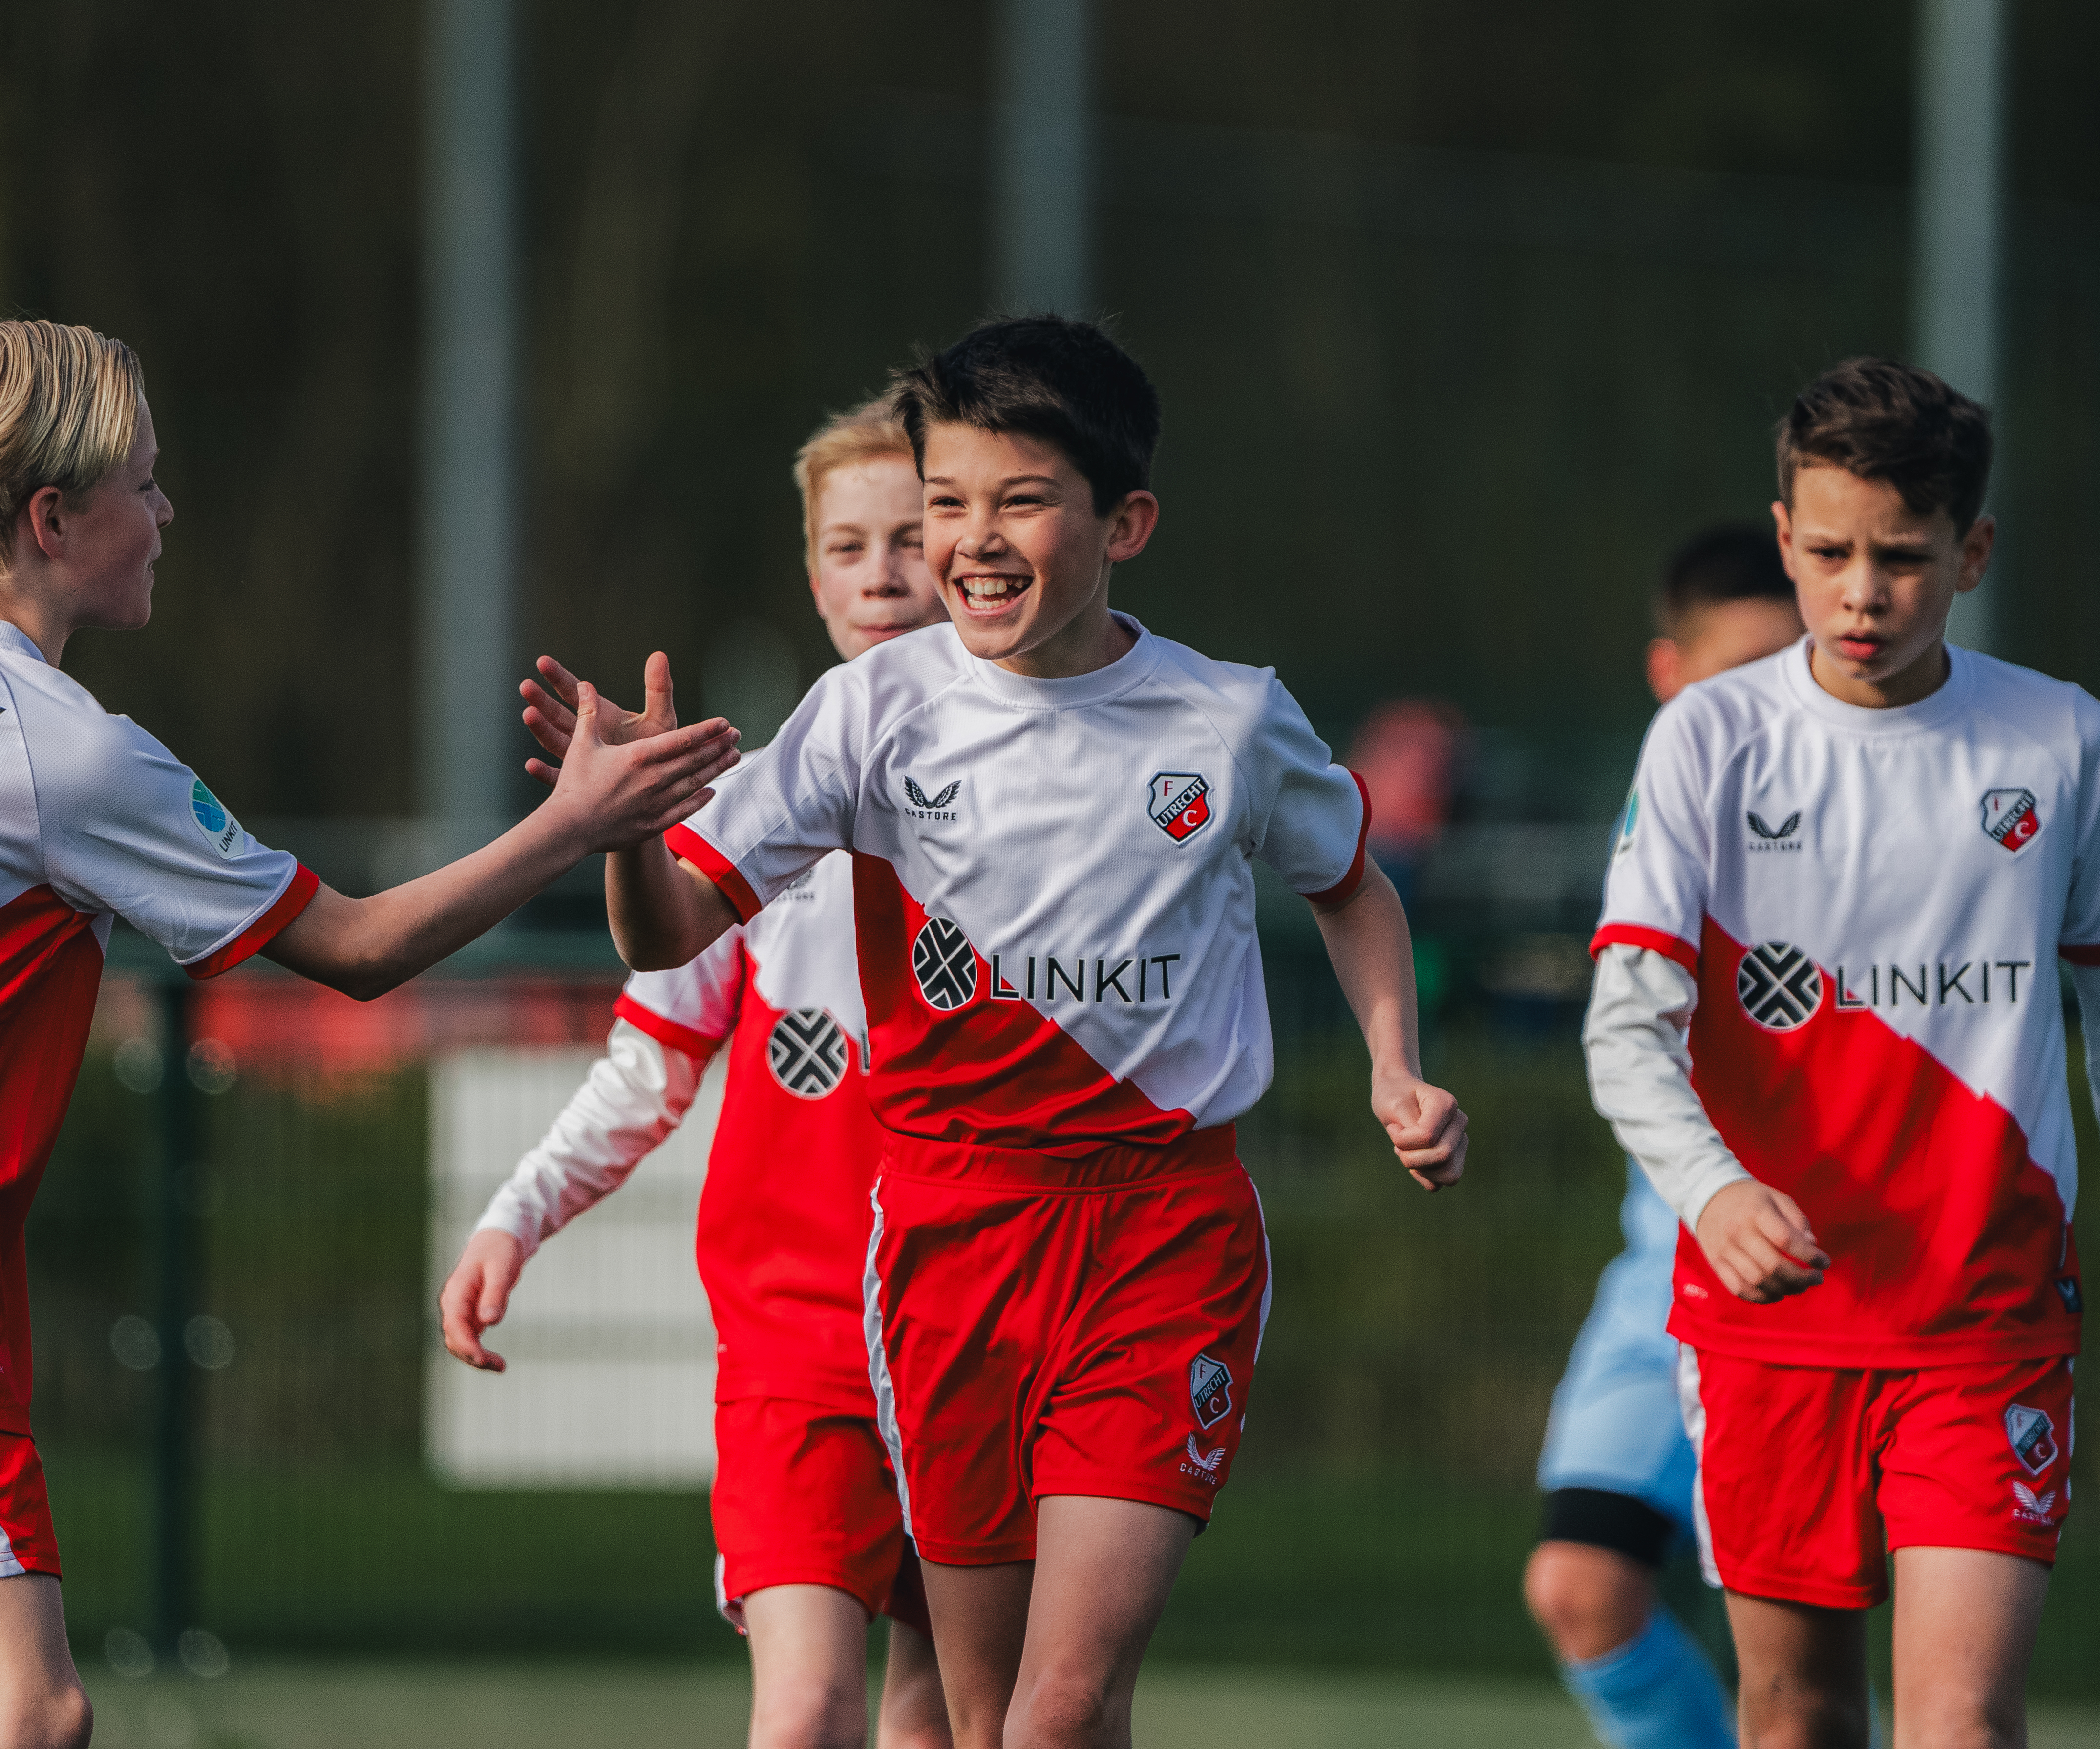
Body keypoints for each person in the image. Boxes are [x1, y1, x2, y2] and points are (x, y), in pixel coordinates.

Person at [0, 320, 739, 1749]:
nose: (168, 511)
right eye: (145, 480)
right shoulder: (61, 743)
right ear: (54, 520)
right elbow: (361, 951)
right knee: (27, 1709)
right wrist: (572, 825)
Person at [550, 314, 1469, 1749]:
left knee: (1059, 1708)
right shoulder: (869, 716)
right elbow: (670, 931)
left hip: (1162, 1235)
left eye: (1022, 501)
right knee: (984, 1723)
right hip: (944, 1238)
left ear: (1128, 520)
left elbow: (1351, 885)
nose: (972, 541)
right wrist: (613, 830)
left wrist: (1396, 1067)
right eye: (948, 506)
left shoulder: (1228, 721)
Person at [1583, 359, 2100, 1749]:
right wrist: (1717, 1190)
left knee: (1963, 1723)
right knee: (1800, 1714)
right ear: (1783, 539)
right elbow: (1626, 1032)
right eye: (1828, 553)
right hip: (1770, 1330)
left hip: (1984, 1320)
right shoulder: (1707, 739)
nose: (1862, 592)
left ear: (1972, 554)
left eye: (1903, 557)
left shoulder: (2061, 743)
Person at [438, 395, 954, 1749]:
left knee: (947, 1718)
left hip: (980, 1324)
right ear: (813, 575)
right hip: (798, 1348)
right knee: (802, 1716)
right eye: (851, 545)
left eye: (915, 534)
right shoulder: (746, 813)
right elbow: (646, 1069)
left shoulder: (1041, 804)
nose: (886, 570)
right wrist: (515, 1214)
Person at [1526, 525, 1800, 1749]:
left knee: (1797, 1662)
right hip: (1663, 1282)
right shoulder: (1668, 809)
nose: (1767, 702)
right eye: (1739, 669)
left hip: (1822, 1287)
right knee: (1581, 1585)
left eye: (1790, 669)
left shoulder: (1865, 802)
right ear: (1669, 674)